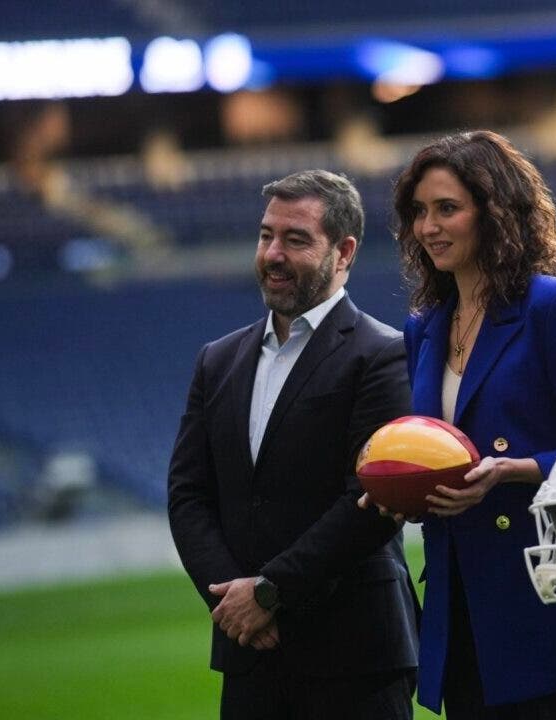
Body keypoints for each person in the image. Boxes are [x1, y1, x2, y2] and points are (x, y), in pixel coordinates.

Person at [381, 130, 556, 718]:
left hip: (548, 604)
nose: (428, 226)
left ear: (493, 213)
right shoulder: (424, 327)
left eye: (447, 208)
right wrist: (399, 489)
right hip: (459, 608)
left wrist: (515, 471)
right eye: (419, 212)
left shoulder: (553, 305)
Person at [167, 169, 420, 719]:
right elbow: (188, 495)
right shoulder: (217, 360)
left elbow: (373, 501)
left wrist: (270, 592)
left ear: (344, 251)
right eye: (266, 236)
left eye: (296, 239)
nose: (273, 254)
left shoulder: (381, 355)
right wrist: (232, 602)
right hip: (250, 652)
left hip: (356, 656)